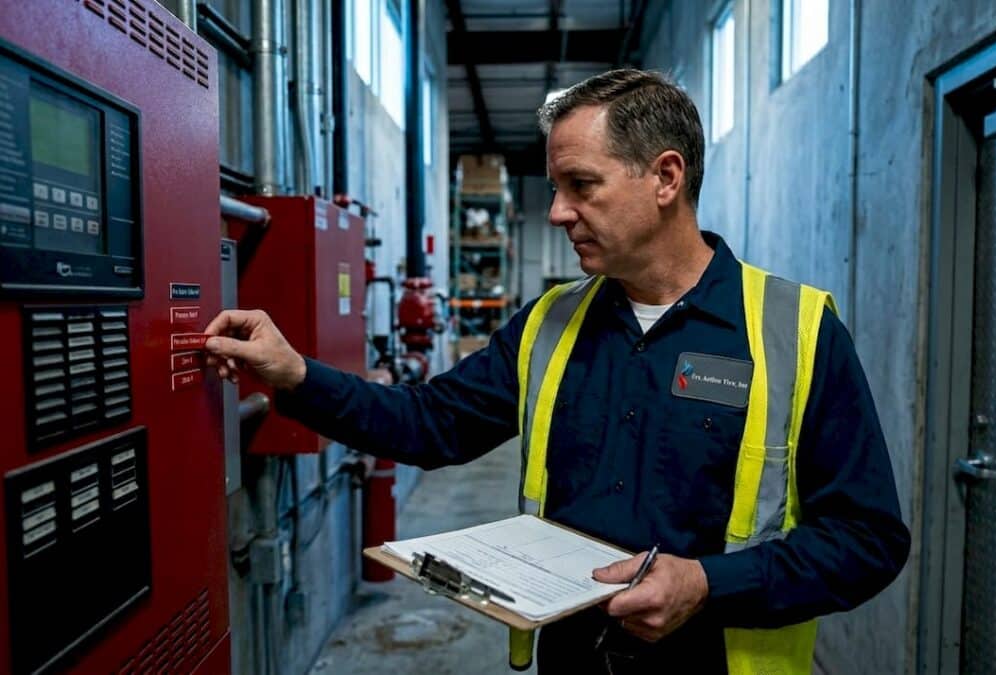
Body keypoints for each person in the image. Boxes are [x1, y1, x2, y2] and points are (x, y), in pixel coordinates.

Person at [204, 69, 910, 675]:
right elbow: (428, 423)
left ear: (666, 176)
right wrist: (294, 373)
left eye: (581, 184)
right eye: (555, 186)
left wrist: (705, 582)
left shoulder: (795, 331)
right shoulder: (549, 325)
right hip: (572, 659)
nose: (556, 212)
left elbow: (867, 539)